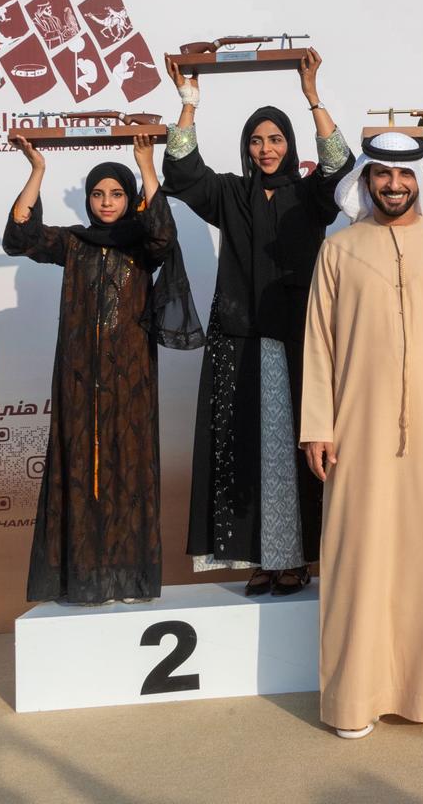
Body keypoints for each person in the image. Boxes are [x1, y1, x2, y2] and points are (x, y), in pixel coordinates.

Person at [301, 132, 423, 738]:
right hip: (357, 432)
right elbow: (318, 344)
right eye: (383, 175)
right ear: (367, 179)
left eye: (405, 174)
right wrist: (317, 426)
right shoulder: (338, 249)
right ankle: (353, 700)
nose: (394, 185)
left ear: (419, 179)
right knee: (359, 561)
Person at [162, 51, 352, 596]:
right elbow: (183, 171)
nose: (266, 149)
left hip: (300, 339)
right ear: (246, 148)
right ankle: (262, 558)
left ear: (289, 144)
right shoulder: (229, 193)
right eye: (256, 141)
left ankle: (295, 558)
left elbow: (340, 169)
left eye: (275, 139)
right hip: (240, 341)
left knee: (299, 447)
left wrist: (312, 96)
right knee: (247, 450)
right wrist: (189, 101)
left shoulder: (311, 195)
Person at [3, 133, 202, 604]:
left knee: (129, 475)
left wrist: (146, 164)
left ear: (128, 198)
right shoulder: (73, 243)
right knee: (80, 472)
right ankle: (85, 579)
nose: (106, 202)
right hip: (78, 382)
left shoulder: (143, 244)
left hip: (131, 381)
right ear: (89, 200)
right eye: (98, 194)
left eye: (116, 194)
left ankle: (130, 579)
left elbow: (163, 233)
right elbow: (20, 237)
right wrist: (37, 170)